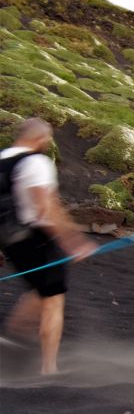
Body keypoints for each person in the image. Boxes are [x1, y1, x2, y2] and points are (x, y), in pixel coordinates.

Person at [1, 118, 96, 375]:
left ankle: (12, 337)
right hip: (35, 238)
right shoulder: (36, 162)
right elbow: (46, 208)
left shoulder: (2, 158)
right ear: (41, 139)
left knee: (37, 287)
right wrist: (72, 242)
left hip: (9, 239)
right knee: (53, 300)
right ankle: (49, 368)